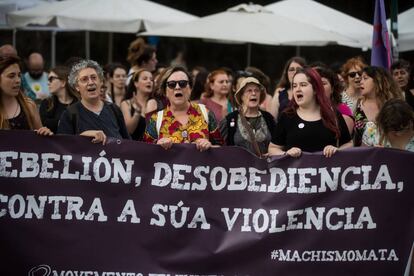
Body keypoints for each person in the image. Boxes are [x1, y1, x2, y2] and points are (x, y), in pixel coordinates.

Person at [268, 67, 352, 158]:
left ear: (315, 89)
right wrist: (286, 153)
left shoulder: (333, 114)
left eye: (303, 85)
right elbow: (272, 148)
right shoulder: (287, 116)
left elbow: (349, 144)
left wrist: (337, 150)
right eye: (294, 86)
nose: (298, 89)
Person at [144, 66, 222, 151]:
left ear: (190, 88)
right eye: (172, 84)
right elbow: (145, 153)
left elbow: (223, 150)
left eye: (182, 83)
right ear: (164, 91)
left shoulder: (206, 113)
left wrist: (209, 146)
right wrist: (158, 146)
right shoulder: (156, 119)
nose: (177, 87)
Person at [57, 59, 130, 144]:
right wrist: (83, 136)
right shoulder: (70, 114)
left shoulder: (114, 110)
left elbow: (128, 144)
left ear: (101, 82)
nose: (91, 82)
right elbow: (62, 147)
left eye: (94, 77)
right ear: (77, 87)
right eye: (84, 79)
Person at [220, 77, 276, 158]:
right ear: (241, 96)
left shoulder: (269, 118)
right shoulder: (230, 119)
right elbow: (218, 146)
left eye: (256, 90)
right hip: (238, 168)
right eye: (249, 91)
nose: (253, 93)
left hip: (265, 168)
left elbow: (278, 145)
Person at [0, 54, 52, 135]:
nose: (18, 80)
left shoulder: (29, 106)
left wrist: (45, 134)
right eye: (11, 76)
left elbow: (41, 142)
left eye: (19, 75)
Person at [355, 66, 403, 147]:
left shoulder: (394, 105)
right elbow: (350, 140)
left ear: (378, 81)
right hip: (363, 156)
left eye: (365, 78)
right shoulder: (357, 105)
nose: (361, 82)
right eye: (361, 79)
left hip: (391, 154)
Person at [39, 66, 79, 133]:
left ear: (63, 82)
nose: (48, 83)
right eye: (48, 80)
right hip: (50, 143)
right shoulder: (46, 104)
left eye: (51, 79)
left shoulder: (78, 103)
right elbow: (42, 125)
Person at [316, 67, 354, 135]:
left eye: (323, 83)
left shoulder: (343, 109)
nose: (320, 87)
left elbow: (347, 141)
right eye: (317, 84)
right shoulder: (305, 110)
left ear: (332, 89)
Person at [120, 69, 153, 141]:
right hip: (134, 148)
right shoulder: (126, 103)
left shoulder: (156, 103)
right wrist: (137, 111)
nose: (149, 81)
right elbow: (129, 130)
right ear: (136, 83)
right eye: (145, 79)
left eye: (151, 79)